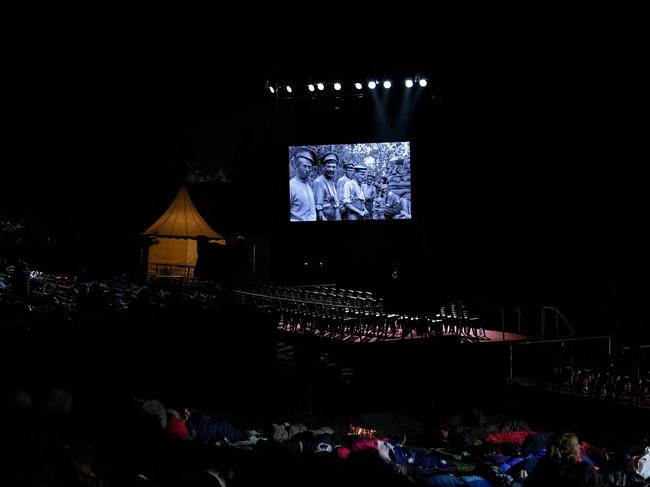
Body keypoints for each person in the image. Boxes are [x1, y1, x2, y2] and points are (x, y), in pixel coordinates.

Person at [525, 432, 607, 486]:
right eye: (577, 444)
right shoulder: (584, 470)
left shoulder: (542, 468)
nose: (579, 447)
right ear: (569, 450)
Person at [289, 147, 317, 221]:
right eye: (304, 166)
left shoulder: (309, 187)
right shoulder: (291, 186)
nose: (307, 170)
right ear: (296, 166)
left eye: (309, 167)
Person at [313, 151, 341, 221]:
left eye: (333, 167)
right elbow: (318, 208)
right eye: (328, 166)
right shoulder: (319, 182)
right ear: (323, 167)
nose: (331, 169)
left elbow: (335, 203)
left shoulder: (331, 182)